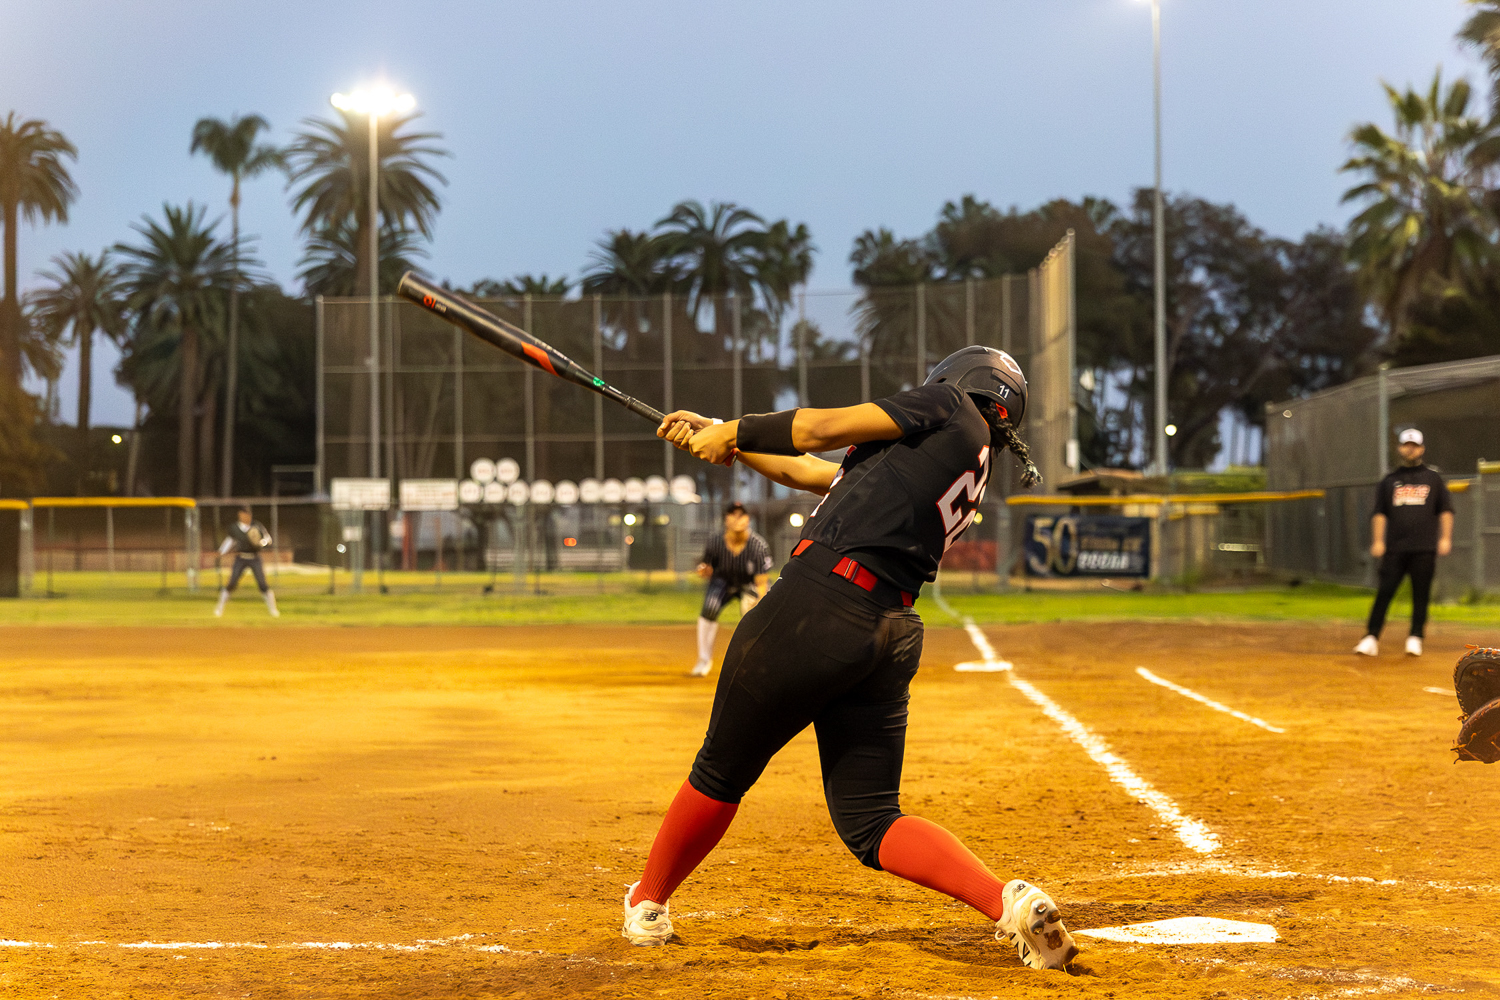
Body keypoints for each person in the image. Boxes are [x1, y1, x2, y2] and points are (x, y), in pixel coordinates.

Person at [622, 346, 1079, 972]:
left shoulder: (946, 407)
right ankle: (1005, 900)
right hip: (890, 631)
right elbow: (810, 472)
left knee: (720, 771)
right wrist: (722, 436)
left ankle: (648, 902)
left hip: (818, 604)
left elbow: (819, 428)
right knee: (871, 820)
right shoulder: (963, 467)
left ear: (956, 382)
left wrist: (735, 431)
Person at [1354, 428, 1453, 657]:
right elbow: (1379, 513)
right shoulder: (1390, 480)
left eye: (1415, 445)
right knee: (1385, 591)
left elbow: (1446, 510)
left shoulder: (1433, 478)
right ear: (1399, 448)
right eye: (1406, 444)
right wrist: (1378, 540)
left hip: (1424, 547)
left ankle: (1415, 637)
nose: (1410, 448)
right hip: (1395, 547)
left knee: (1421, 594)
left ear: (1422, 449)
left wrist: (1445, 538)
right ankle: (1371, 637)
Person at [691, 501, 772, 677]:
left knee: (755, 615)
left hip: (749, 582)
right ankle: (703, 661)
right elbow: (707, 568)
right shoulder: (715, 541)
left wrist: (761, 601)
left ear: (748, 520)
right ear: (725, 519)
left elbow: (761, 579)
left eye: (741, 515)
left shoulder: (758, 545)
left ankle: (757, 662)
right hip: (723, 581)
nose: (736, 519)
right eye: (732, 514)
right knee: (709, 609)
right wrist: (703, 570)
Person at [214, 506, 280, 618]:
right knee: (231, 583)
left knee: (263, 585)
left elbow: (268, 539)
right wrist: (221, 552)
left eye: (248, 514)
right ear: (240, 515)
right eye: (243, 514)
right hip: (241, 558)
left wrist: (260, 542)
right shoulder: (235, 528)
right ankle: (219, 609)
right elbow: (230, 541)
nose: (246, 516)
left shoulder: (256, 525)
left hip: (254, 558)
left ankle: (273, 611)